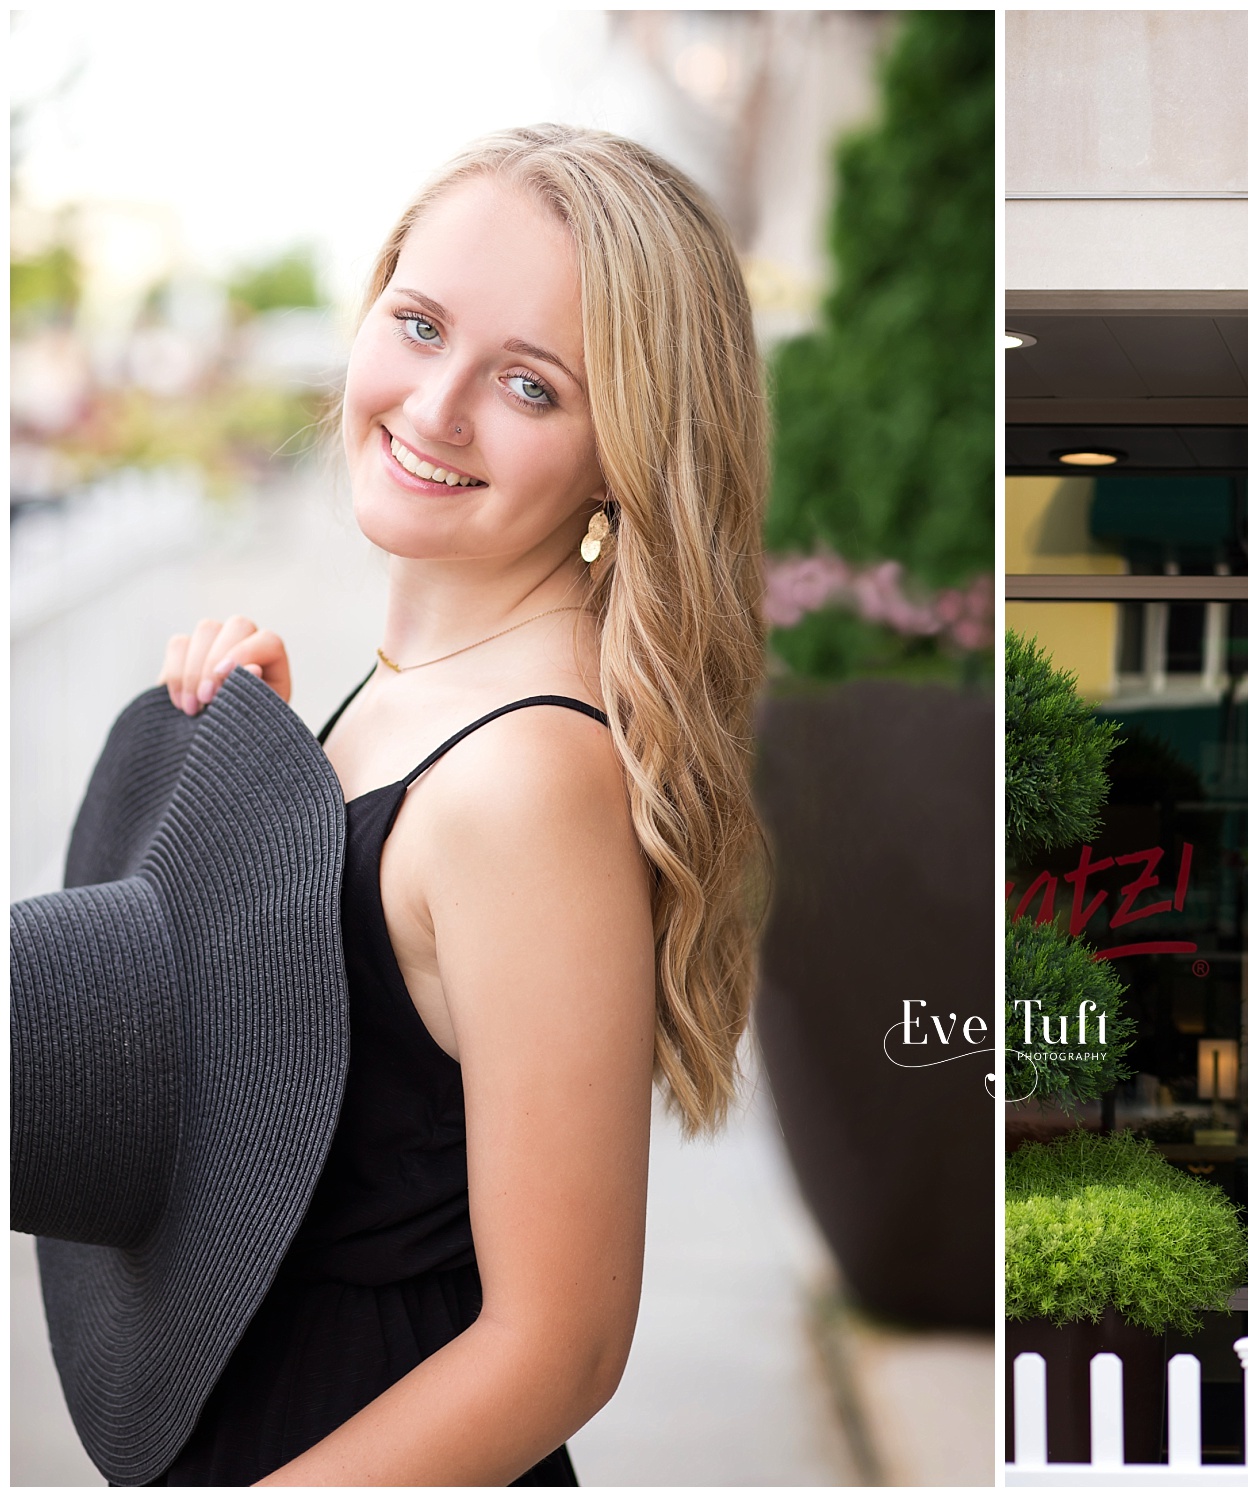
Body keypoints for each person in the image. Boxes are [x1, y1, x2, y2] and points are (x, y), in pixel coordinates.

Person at [149, 125, 767, 1485]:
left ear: (627, 451)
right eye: (419, 323)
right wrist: (260, 782)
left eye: (531, 387)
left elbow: (561, 1343)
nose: (434, 409)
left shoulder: (531, 776)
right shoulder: (411, 695)